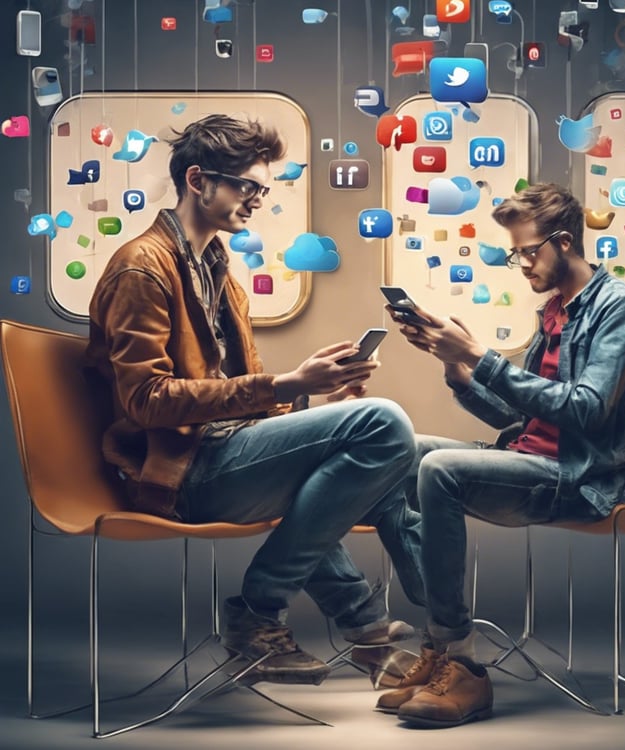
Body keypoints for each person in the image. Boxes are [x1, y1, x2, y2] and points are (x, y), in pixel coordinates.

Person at [85, 114, 424, 687]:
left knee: (391, 445)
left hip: (226, 454)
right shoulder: (142, 269)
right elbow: (146, 401)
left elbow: (247, 409)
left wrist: (320, 393)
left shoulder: (219, 270)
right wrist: (291, 385)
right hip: (183, 472)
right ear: (198, 180)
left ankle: (366, 630)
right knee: (383, 424)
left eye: (264, 189)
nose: (258, 201)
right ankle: (261, 610)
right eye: (248, 187)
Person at [377, 182, 625, 728]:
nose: (521, 264)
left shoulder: (620, 308)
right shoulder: (555, 311)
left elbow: (586, 411)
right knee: (398, 450)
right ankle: (439, 643)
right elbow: (522, 420)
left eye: (528, 251)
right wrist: (459, 372)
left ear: (564, 241)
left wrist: (483, 358)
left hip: (578, 481)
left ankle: (459, 658)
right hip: (535, 464)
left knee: (438, 468)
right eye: (516, 253)